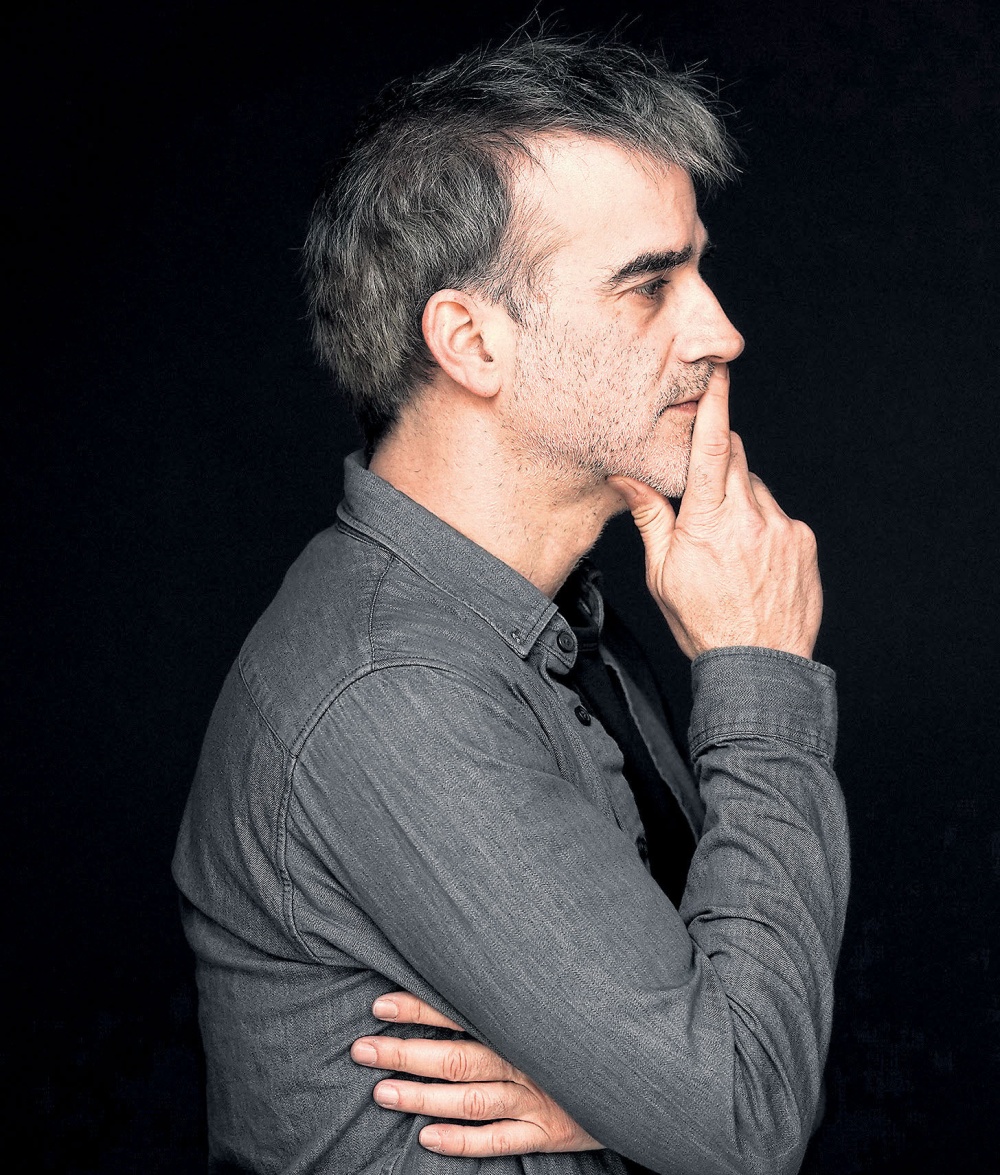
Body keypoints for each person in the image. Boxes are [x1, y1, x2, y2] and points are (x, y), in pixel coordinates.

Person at [173, 31, 850, 1175]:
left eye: (697, 271)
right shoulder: (397, 690)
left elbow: (737, 1045)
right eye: (649, 285)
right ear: (471, 341)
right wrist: (761, 673)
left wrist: (623, 1090)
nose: (720, 332)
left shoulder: (560, 621)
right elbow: (744, 1109)